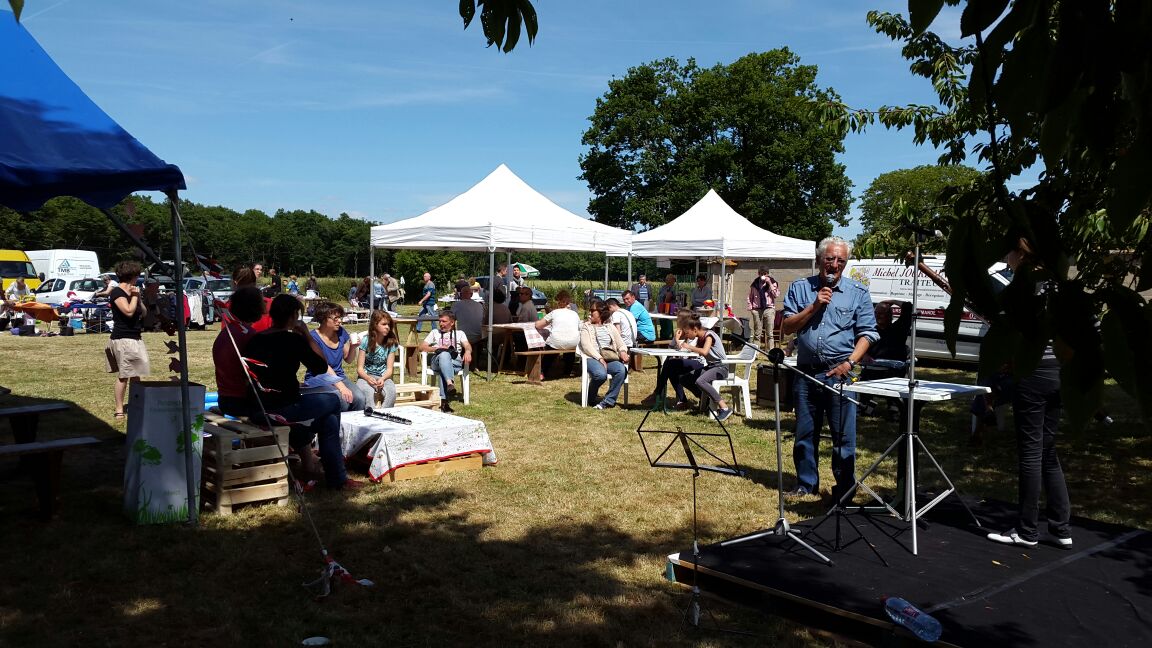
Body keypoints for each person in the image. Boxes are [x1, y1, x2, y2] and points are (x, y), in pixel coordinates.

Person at [219, 293, 361, 491]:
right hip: (282, 407)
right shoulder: (293, 340)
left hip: (259, 405)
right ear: (294, 316)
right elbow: (320, 366)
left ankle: (330, 473)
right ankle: (336, 478)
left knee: (328, 419)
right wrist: (306, 336)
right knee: (333, 401)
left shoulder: (255, 339)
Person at [986, 237, 1072, 550]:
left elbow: (1012, 329)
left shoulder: (1025, 287)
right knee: (1048, 451)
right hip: (1056, 370)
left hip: (1033, 371)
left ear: (1020, 253)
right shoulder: (1057, 284)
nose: (1006, 258)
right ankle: (1061, 527)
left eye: (1008, 252)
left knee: (1032, 453)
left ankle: (1026, 530)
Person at [781, 236, 879, 503]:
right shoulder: (800, 288)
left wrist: (850, 363)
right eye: (830, 259)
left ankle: (844, 488)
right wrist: (814, 306)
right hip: (806, 373)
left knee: (843, 436)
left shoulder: (858, 292)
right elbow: (787, 327)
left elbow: (868, 334)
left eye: (841, 261)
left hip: (841, 374)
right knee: (804, 433)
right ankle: (806, 484)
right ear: (819, 259)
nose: (835, 265)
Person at [104, 261, 150, 421]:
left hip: (135, 337)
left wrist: (138, 297)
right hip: (123, 338)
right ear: (132, 276)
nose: (138, 278)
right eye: (137, 275)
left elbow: (143, 313)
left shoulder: (133, 292)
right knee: (124, 375)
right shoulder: (117, 292)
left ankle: (135, 405)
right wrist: (135, 297)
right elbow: (128, 312)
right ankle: (119, 410)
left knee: (136, 374)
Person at [301, 301, 362, 412]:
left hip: (339, 376)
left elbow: (348, 359)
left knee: (360, 398)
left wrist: (353, 347)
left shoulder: (341, 332)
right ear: (324, 319)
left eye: (340, 318)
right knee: (342, 400)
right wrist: (342, 387)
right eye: (336, 318)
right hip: (319, 378)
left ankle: (354, 422)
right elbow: (324, 366)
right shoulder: (313, 338)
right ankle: (336, 423)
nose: (340, 321)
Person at [671, 313, 733, 420]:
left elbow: (704, 352)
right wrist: (678, 341)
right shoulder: (699, 338)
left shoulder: (709, 336)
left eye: (687, 333)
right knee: (684, 379)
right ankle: (706, 401)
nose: (686, 335)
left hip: (721, 368)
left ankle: (724, 407)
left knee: (700, 381)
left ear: (695, 330)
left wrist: (689, 346)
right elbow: (692, 351)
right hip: (711, 366)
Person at [579, 300, 630, 410]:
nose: (590, 312)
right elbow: (586, 346)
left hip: (609, 358)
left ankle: (608, 401)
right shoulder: (586, 326)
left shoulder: (610, 327)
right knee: (600, 374)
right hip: (591, 358)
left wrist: (623, 352)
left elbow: (621, 343)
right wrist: (600, 358)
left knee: (621, 370)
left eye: (593, 310)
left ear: (600, 313)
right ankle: (590, 396)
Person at [419, 311, 472, 413]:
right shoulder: (435, 332)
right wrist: (437, 348)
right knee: (444, 355)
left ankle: (444, 401)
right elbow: (421, 347)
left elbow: (467, 345)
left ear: (452, 322)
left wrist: (468, 352)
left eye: (444, 321)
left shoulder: (460, 333)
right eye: (440, 321)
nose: (441, 324)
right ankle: (449, 383)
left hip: (454, 362)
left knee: (444, 365)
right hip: (437, 361)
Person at [356, 309, 399, 408]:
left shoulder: (391, 343)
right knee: (367, 392)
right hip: (365, 376)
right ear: (375, 325)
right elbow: (359, 369)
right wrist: (367, 378)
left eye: (389, 325)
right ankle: (370, 413)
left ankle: (385, 414)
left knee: (391, 393)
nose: (387, 327)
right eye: (384, 324)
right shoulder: (366, 341)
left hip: (383, 377)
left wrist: (383, 379)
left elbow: (389, 369)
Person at [535, 290, 580, 378]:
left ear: (558, 302)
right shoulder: (575, 314)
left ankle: (543, 371)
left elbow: (539, 325)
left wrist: (537, 321)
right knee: (569, 346)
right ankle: (567, 371)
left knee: (551, 349)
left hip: (557, 341)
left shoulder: (554, 312)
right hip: (574, 342)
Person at [747, 266, 780, 349]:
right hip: (757, 310)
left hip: (769, 309)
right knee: (757, 333)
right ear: (758, 274)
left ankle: (770, 351)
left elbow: (776, 295)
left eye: (765, 274)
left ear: (767, 274)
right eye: (761, 274)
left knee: (770, 333)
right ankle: (756, 351)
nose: (763, 276)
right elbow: (750, 297)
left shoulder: (773, 282)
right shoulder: (754, 284)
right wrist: (751, 308)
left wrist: (769, 283)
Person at [452, 280, 486, 351]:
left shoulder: (456, 305)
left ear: (461, 294)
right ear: (471, 295)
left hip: (464, 337)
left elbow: (451, 320)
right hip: (479, 336)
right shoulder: (479, 305)